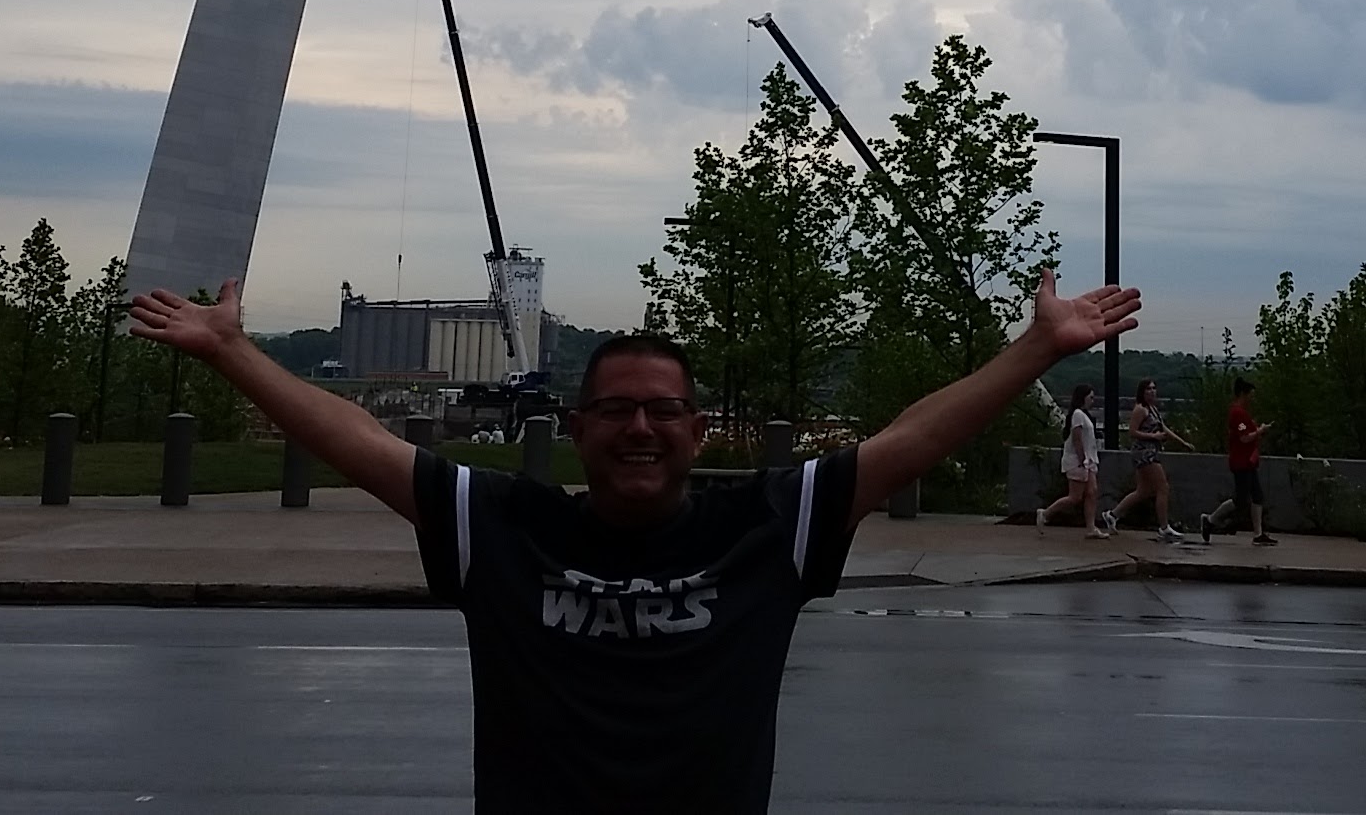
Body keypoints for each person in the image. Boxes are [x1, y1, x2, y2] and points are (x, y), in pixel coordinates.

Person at [128, 266, 1141, 813]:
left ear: (697, 431)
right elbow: (357, 440)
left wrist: (1035, 348)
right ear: (578, 429)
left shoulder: (766, 527)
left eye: (663, 411)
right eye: (615, 410)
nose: (641, 428)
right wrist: (232, 352)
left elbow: (911, 439)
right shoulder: (504, 528)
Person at [1107, 377, 1185, 544]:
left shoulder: (1153, 409)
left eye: (1154, 388)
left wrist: (1182, 442)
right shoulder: (1140, 409)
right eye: (1148, 389)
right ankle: (1164, 527)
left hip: (1151, 451)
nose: (1152, 391)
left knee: (1143, 491)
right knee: (1162, 487)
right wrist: (1153, 436)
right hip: (1144, 453)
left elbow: (1164, 428)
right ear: (1142, 392)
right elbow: (1132, 432)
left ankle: (1113, 514)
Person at [1204, 374, 1275, 546]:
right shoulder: (1237, 414)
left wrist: (1256, 430)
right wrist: (1260, 431)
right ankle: (1211, 520)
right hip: (1241, 462)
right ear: (1243, 394)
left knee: (1257, 496)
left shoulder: (1241, 414)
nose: (1253, 398)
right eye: (1251, 394)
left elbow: (1245, 432)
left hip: (1248, 461)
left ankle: (1258, 534)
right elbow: (1244, 437)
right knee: (1241, 499)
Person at [1043, 382, 1106, 537]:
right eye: (1090, 397)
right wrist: (1081, 458)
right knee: (1075, 497)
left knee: (1092, 492)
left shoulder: (1084, 415)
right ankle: (1045, 513)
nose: (1092, 401)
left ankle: (1091, 527)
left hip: (1089, 460)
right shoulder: (1078, 415)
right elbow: (1077, 438)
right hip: (1079, 460)